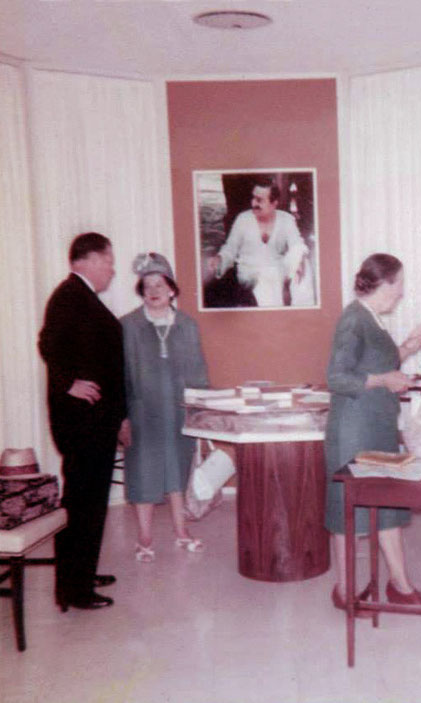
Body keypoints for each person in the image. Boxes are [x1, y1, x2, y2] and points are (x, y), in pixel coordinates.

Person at [325, 253, 421, 611]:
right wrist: (387, 380)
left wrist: (408, 348)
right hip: (354, 431)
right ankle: (345, 592)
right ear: (385, 283)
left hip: (375, 426)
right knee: (348, 511)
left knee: (387, 505)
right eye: (399, 284)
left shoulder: (371, 319)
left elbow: (376, 363)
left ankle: (400, 586)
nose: (402, 292)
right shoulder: (353, 319)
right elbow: (337, 377)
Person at [39, 232, 127, 611]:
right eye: (108, 260)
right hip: (82, 424)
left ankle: (81, 573)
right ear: (88, 259)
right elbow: (47, 343)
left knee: (90, 502)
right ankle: (73, 590)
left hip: (95, 422)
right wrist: (67, 383)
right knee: (82, 503)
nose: (112, 268)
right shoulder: (69, 296)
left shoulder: (81, 296)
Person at [121, 253, 210, 562]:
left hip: (178, 412)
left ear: (172, 289)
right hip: (141, 414)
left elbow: (198, 373)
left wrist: (199, 410)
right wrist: (122, 418)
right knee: (143, 472)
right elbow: (119, 376)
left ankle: (181, 531)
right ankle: (144, 537)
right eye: (147, 285)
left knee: (177, 471)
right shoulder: (128, 326)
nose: (153, 290)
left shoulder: (187, 325)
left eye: (160, 284)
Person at [208, 178, 309, 307]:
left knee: (305, 264)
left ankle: (302, 312)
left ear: (274, 203)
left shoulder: (286, 219)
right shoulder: (243, 219)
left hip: (277, 270)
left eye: (259, 200)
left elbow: (297, 244)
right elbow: (230, 249)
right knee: (266, 281)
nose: (253, 203)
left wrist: (299, 261)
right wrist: (220, 259)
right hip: (249, 273)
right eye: (253, 198)